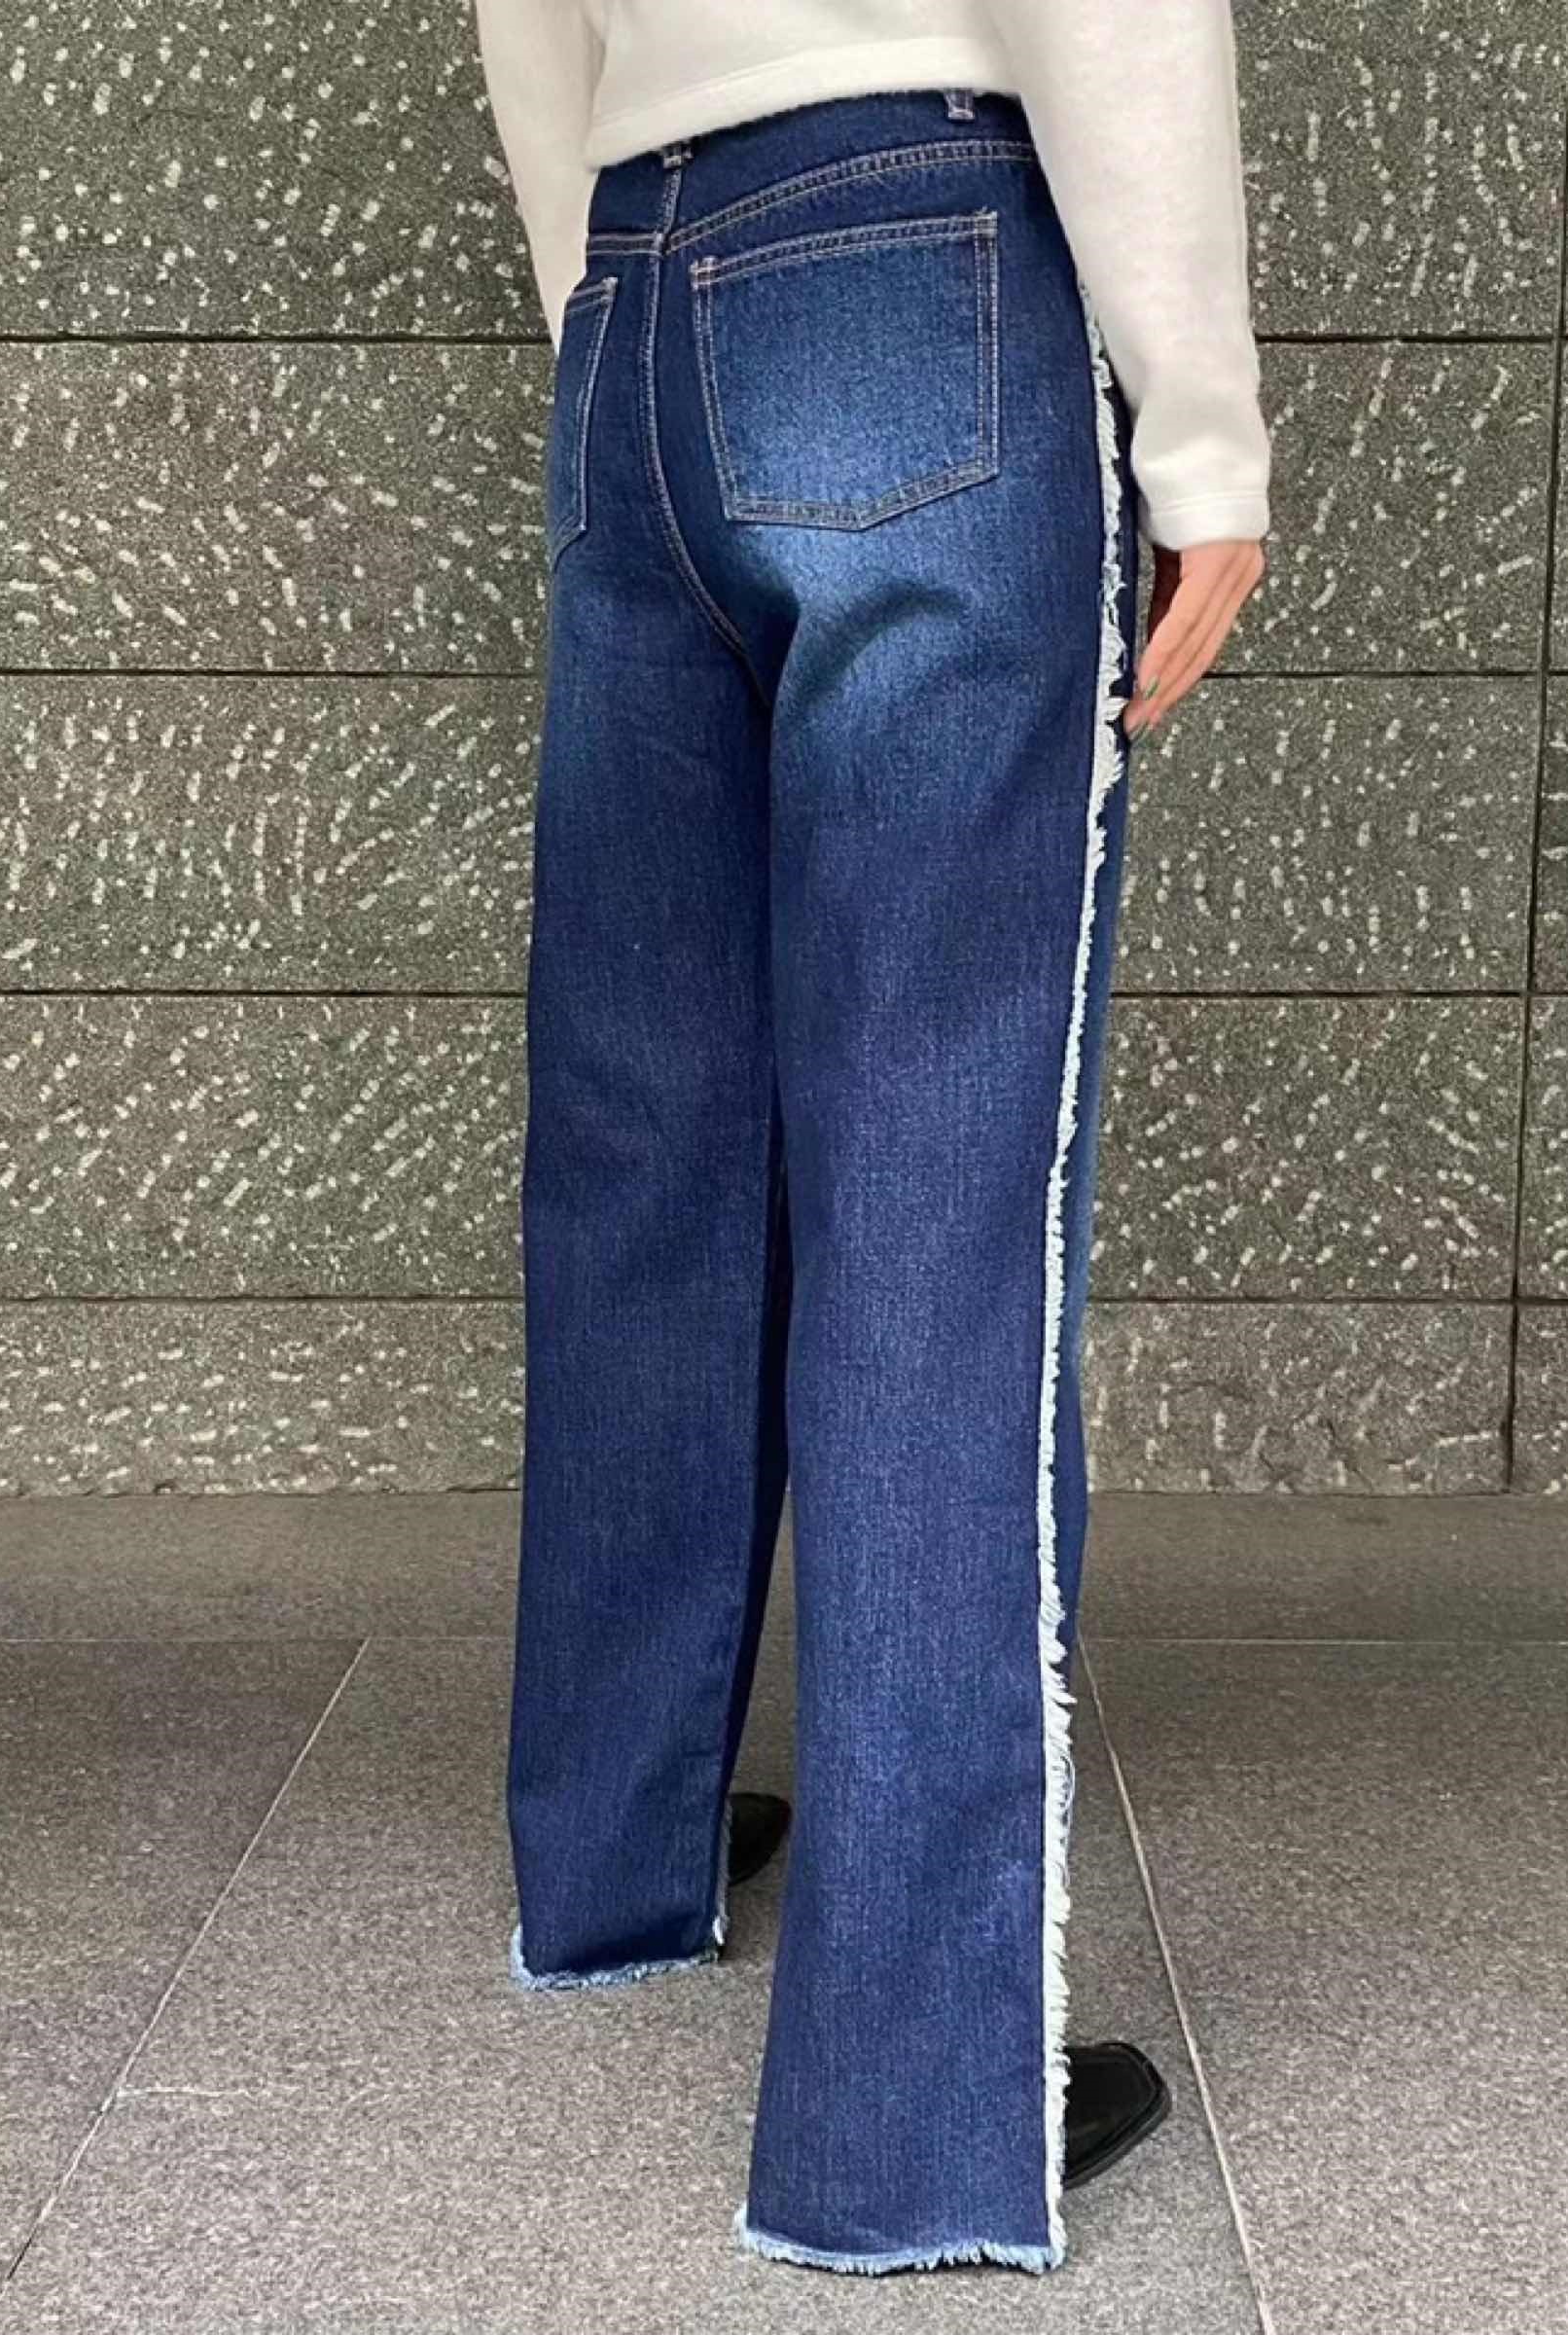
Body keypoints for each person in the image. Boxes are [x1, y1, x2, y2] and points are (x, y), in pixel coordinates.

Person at [472, 0, 1273, 2278]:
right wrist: (1201, 430)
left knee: (647, 1143)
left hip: (638, 291)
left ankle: (612, 1864)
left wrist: (609, 314)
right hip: (923, 260)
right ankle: (911, 2128)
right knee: (937, 1179)